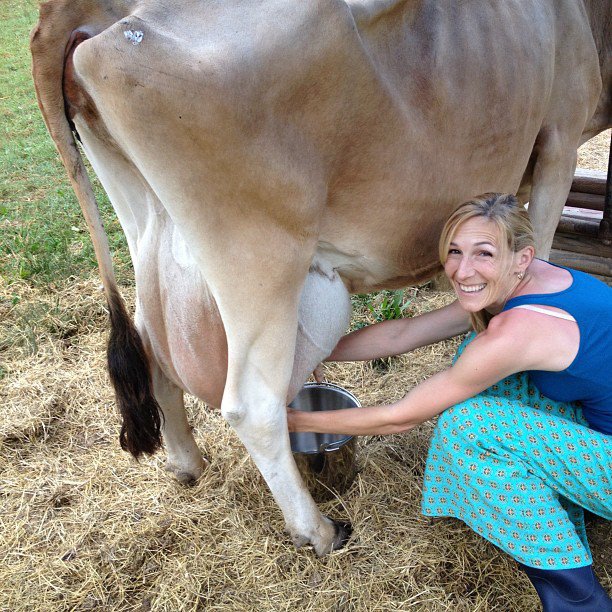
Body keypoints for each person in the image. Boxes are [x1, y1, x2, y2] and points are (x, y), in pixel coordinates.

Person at [287, 193, 612, 611]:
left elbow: (399, 418)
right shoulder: (526, 282)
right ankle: (565, 505)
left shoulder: (520, 330)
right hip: (595, 422)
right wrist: (309, 351)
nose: (462, 269)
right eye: (455, 251)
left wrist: (294, 421)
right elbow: (403, 334)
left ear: (522, 257)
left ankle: (579, 599)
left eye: (483, 253)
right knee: (476, 363)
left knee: (467, 427)